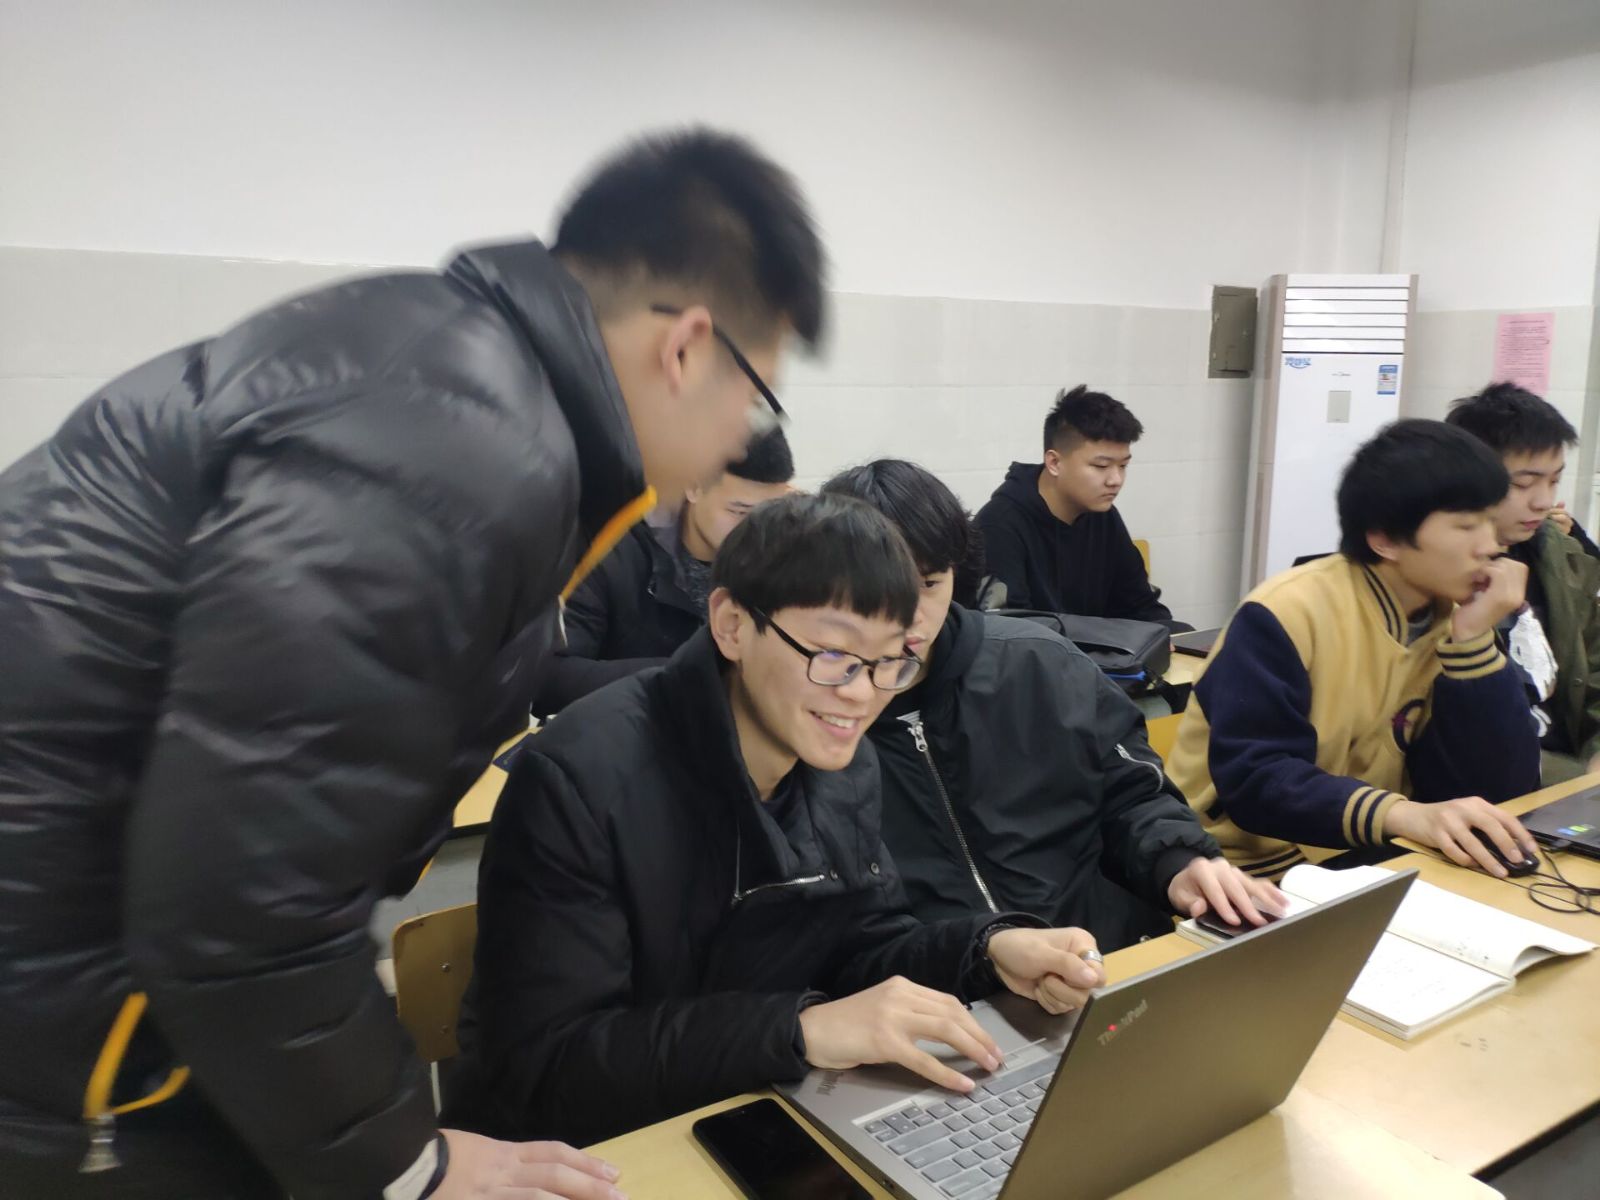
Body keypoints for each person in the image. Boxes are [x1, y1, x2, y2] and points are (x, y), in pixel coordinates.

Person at [0, 129, 824, 1199]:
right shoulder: (463, 455)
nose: (735, 442)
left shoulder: (444, 373)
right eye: (754, 401)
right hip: (65, 1048)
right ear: (688, 349)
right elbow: (247, 903)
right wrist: (408, 1163)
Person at [446, 495, 1109, 1147]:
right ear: (732, 625)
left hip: (758, 1109)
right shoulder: (582, 777)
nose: (861, 694)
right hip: (590, 1154)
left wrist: (986, 950)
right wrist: (800, 1029)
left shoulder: (842, 763)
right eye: (834, 654)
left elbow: (862, 946)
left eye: (888, 661)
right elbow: (548, 1067)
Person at [822, 460, 1284, 951]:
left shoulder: (1041, 663)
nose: (910, 616)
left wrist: (1179, 865)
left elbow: (1130, 796)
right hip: (942, 982)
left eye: (930, 583)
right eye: (884, 589)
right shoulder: (816, 716)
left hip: (1102, 956)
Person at [1165, 420, 1541, 882]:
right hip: (1240, 872)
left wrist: (1474, 642)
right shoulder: (1286, 612)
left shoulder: (1458, 617)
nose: (1491, 545)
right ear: (1385, 539)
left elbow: (1501, 788)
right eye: (1465, 526)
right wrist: (1403, 815)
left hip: (1368, 855)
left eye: (1489, 520)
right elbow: (1257, 781)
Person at [532, 425, 794, 713]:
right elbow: (547, 682)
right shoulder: (612, 549)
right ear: (694, 487)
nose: (756, 531)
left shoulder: (782, 558)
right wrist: (686, 673)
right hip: (624, 729)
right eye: (739, 512)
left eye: (770, 514)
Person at [1445, 383, 1600, 782]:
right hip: (1499, 780)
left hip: (1570, 775)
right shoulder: (1434, 577)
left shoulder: (1562, 558)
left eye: (1554, 481)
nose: (1543, 501)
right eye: (1523, 484)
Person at [974, 384, 1186, 630]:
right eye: (1101, 466)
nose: (1115, 480)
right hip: (1040, 652)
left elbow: (1140, 604)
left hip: (1100, 650)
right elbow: (1009, 631)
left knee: (1181, 633)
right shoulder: (998, 525)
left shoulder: (1102, 515)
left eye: (1123, 466)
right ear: (1054, 462)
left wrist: (1165, 635)